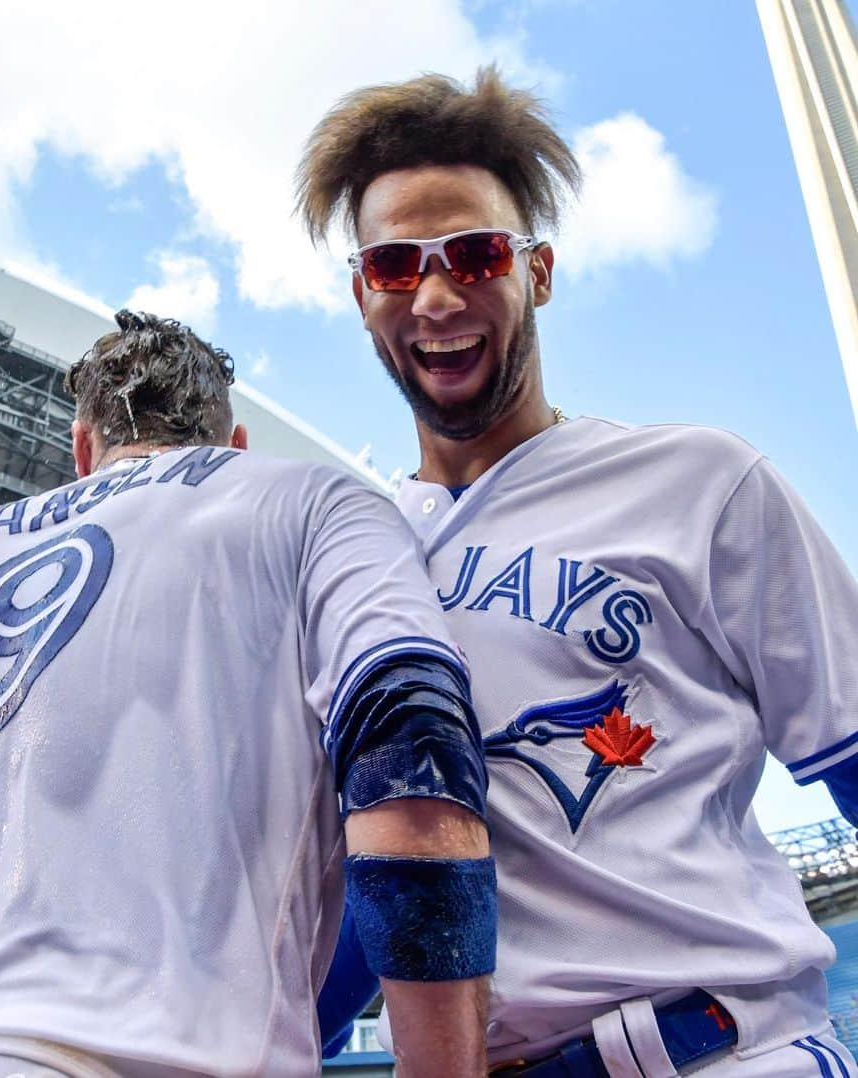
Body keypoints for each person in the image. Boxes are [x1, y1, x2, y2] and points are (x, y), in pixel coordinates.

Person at [298, 68, 858, 1076]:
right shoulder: (349, 566)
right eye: (393, 265)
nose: (434, 294)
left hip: (721, 1049)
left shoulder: (699, 483)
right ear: (361, 294)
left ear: (538, 270)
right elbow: (367, 888)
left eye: (474, 253)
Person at [0, 310, 497, 1077]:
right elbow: (411, 740)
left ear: (82, 448)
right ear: (235, 444)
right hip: (136, 1052)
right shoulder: (313, 501)